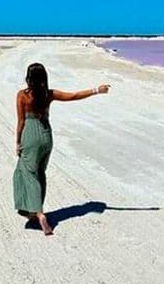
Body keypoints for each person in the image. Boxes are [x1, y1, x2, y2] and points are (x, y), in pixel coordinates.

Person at [13, 62, 110, 235]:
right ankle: (34, 212)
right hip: (46, 136)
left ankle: (38, 213)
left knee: (28, 173)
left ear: (28, 78)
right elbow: (74, 96)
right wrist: (97, 90)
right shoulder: (49, 95)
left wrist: (18, 142)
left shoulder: (22, 96)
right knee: (40, 173)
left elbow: (21, 122)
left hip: (30, 137)